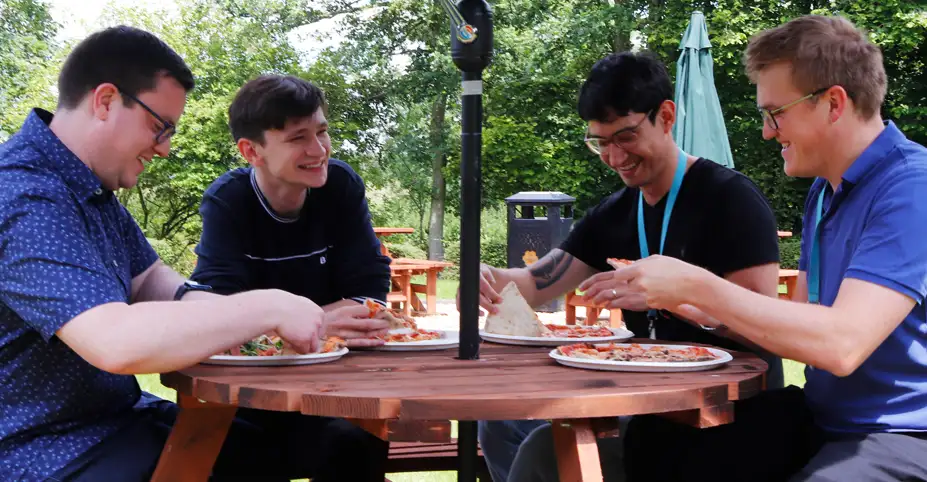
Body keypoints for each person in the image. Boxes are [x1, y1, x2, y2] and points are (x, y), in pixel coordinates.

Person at [0, 26, 387, 482]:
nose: (163, 149)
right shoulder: (25, 194)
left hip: (119, 421)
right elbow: (114, 342)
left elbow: (156, 284)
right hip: (47, 448)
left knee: (343, 445)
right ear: (105, 101)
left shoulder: (87, 189)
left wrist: (259, 319)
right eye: (159, 127)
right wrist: (267, 306)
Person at [594, 14, 927, 482]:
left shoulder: (912, 187)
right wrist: (695, 307)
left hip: (905, 433)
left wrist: (701, 285)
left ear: (833, 103)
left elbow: (842, 343)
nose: (769, 132)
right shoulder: (826, 190)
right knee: (655, 445)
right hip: (825, 420)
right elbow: (800, 319)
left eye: (776, 113)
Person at [470, 51, 784, 482]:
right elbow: (537, 281)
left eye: (626, 136)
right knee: (501, 424)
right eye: (600, 142)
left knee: (546, 453)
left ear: (667, 116)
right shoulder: (613, 213)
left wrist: (679, 300)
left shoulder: (731, 200)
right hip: (641, 407)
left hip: (725, 420)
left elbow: (765, 323)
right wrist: (488, 277)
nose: (615, 157)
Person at [190, 74, 392, 334]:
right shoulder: (228, 200)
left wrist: (290, 325)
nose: (319, 151)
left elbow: (370, 292)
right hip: (259, 369)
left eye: (322, 132)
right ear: (251, 151)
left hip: (343, 358)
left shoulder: (340, 185)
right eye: (298, 138)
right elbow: (218, 309)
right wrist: (314, 325)